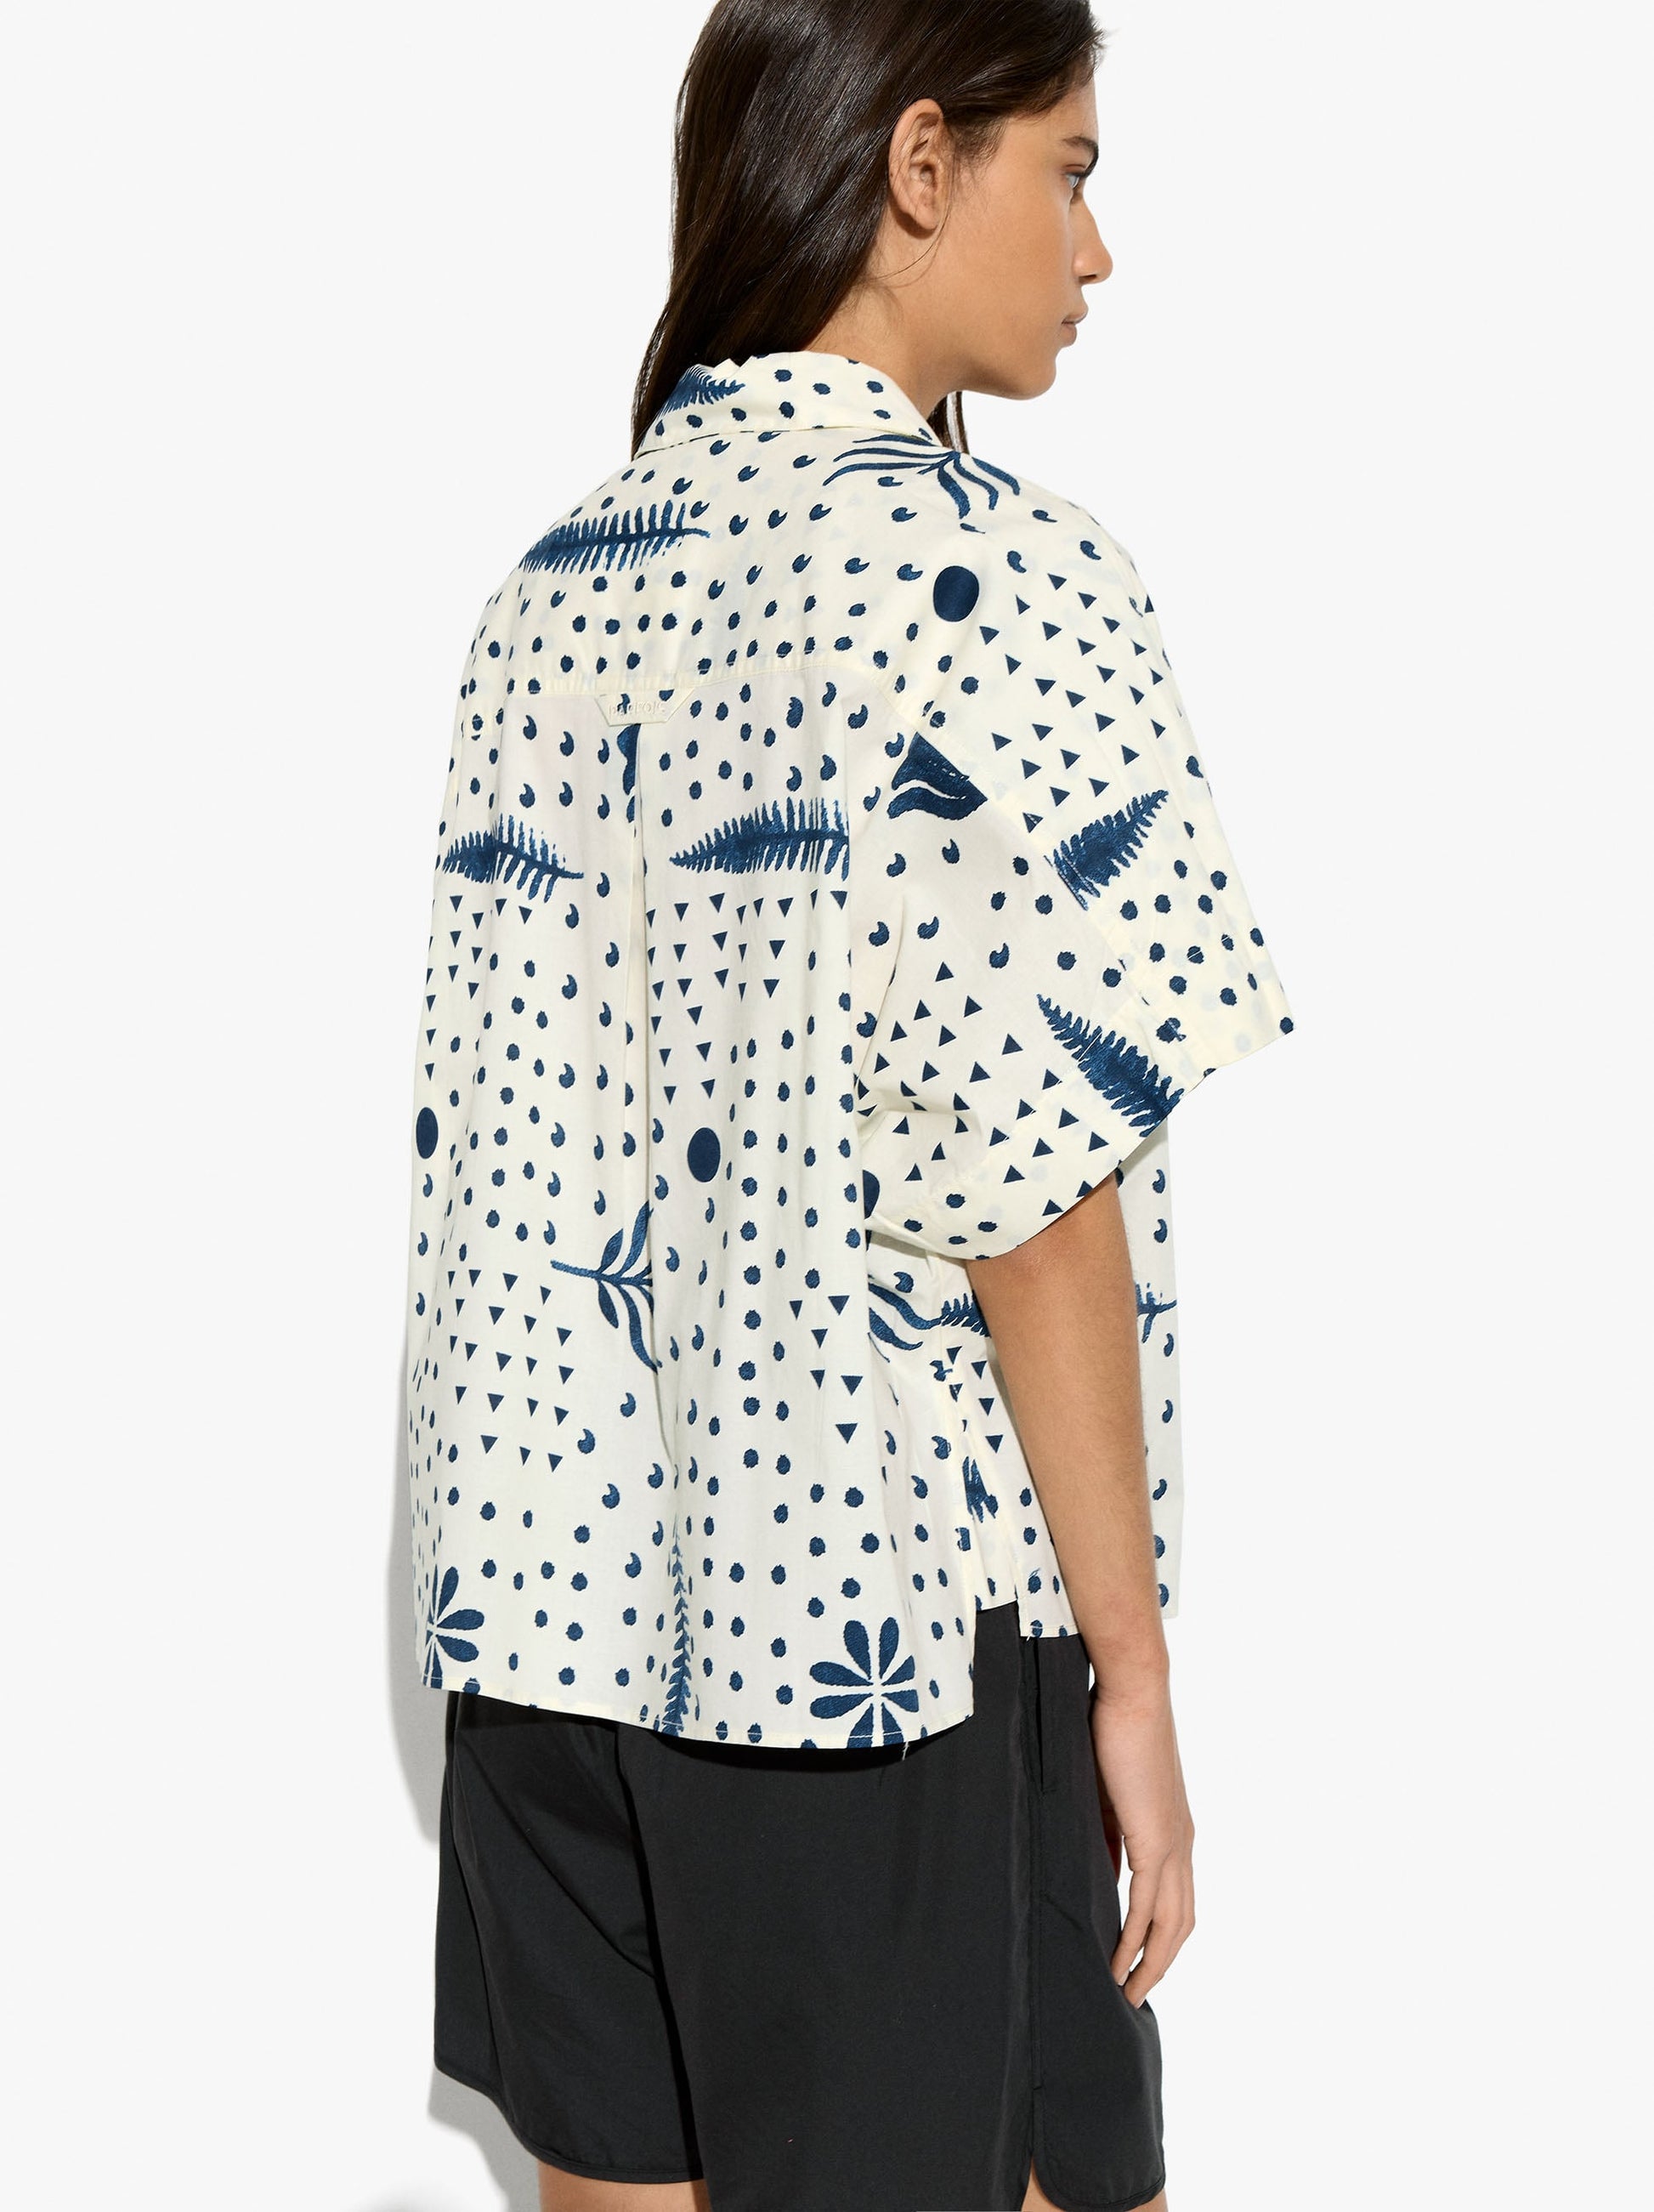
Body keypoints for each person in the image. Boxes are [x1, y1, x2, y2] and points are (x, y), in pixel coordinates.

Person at [403, 3, 1294, 2206]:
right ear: (918, 163)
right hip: (885, 1668)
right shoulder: (1000, 577)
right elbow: (1035, 1189)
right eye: (1069, 170)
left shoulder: (551, 592)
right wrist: (1134, 1681)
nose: (1097, 250)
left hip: (547, 1646)